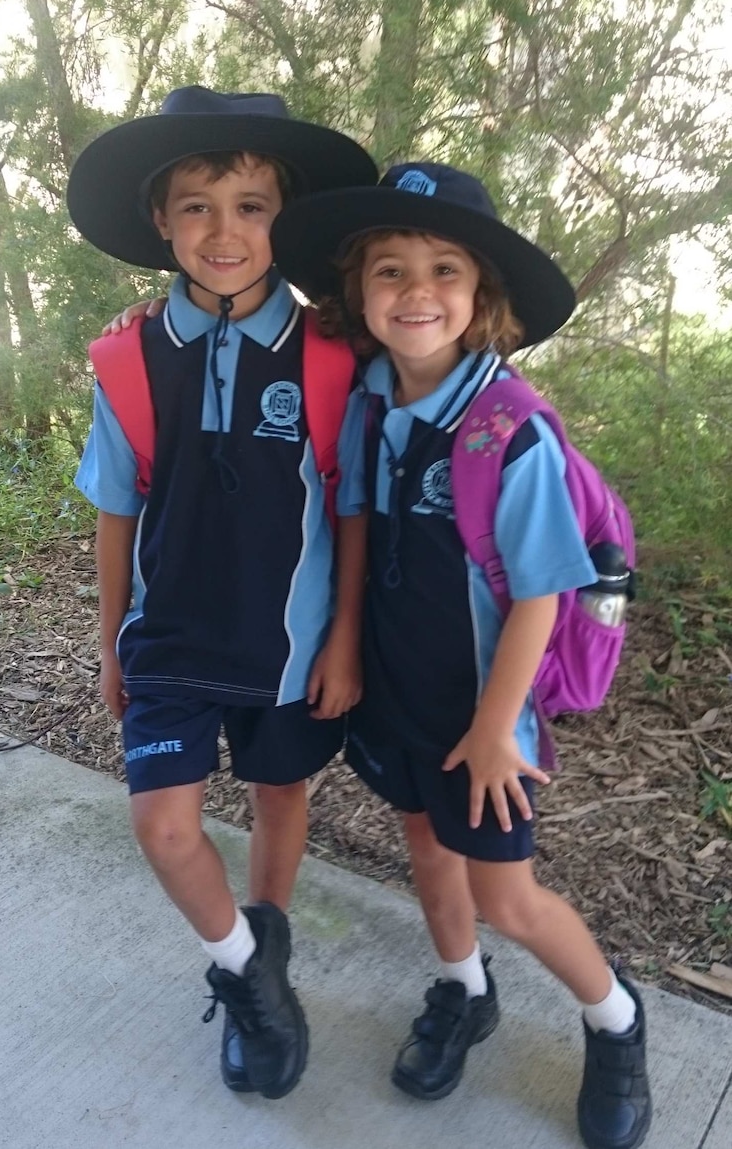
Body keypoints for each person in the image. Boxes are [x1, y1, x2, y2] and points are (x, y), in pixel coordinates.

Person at [269, 163, 651, 1149]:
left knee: (507, 897)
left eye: (444, 268)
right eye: (389, 270)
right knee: (427, 857)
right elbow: (355, 521)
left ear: (482, 296)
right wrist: (346, 646)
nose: (416, 291)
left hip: (485, 718)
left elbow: (540, 592)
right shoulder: (367, 400)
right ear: (359, 294)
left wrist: (492, 730)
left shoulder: (508, 431)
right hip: (396, 693)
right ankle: (461, 991)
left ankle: (614, 1022)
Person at [66, 86, 377, 1100]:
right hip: (169, 641)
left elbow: (350, 514)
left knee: (279, 794)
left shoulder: (336, 353)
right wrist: (110, 639)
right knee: (162, 825)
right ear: (161, 221)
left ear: (283, 218)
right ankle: (247, 974)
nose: (224, 228)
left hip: (289, 645)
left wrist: (342, 640)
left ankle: (269, 938)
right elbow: (117, 510)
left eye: (251, 204)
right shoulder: (126, 357)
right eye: (196, 204)